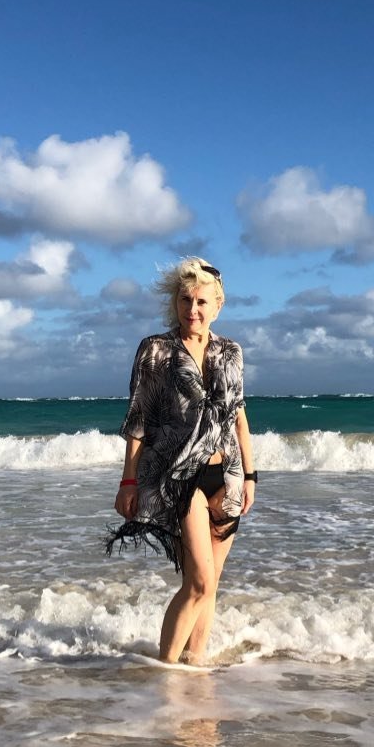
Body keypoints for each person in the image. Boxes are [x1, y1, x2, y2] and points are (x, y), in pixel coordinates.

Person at [107, 257, 257, 665]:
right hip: (179, 476)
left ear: (218, 306)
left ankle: (195, 665)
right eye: (185, 300)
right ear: (175, 302)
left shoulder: (231, 352)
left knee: (211, 583)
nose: (193, 309)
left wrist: (251, 475)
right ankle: (166, 669)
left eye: (201, 301)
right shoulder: (155, 350)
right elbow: (138, 419)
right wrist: (128, 481)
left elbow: (238, 415)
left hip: (226, 475)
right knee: (199, 582)